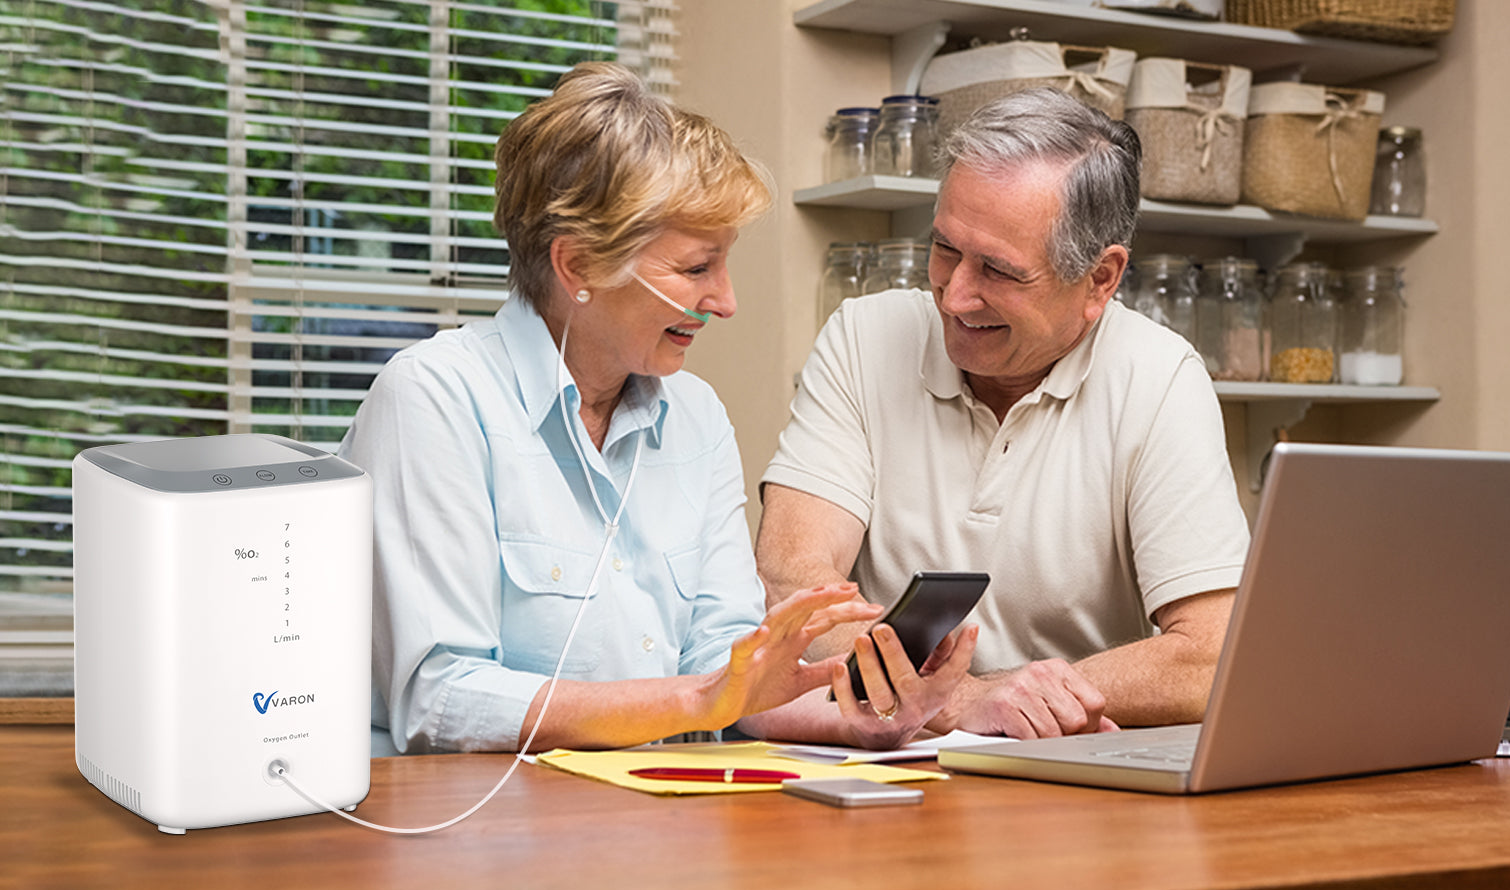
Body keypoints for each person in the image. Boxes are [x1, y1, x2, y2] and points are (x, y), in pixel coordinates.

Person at [342, 62, 975, 756]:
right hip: (484, 817)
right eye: (697, 268)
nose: (726, 301)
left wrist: (859, 719)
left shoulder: (696, 417)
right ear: (579, 266)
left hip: (657, 807)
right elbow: (440, 698)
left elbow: (725, 672)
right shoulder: (434, 398)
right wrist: (694, 701)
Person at [756, 87, 1251, 739]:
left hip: (1068, 771)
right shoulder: (862, 336)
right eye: (944, 249)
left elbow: (1209, 658)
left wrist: (999, 700)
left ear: (1100, 279)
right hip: (886, 763)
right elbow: (793, 578)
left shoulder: (1160, 376)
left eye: (998, 270)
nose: (955, 296)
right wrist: (955, 704)